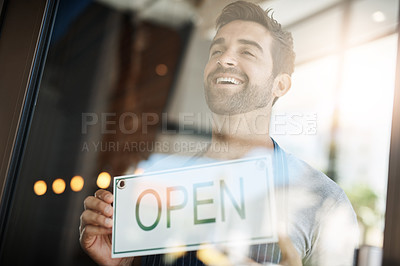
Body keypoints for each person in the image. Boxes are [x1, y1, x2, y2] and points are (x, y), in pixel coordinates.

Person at [79, 1, 358, 265]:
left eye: (247, 51)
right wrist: (124, 263)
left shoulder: (323, 200)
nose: (225, 59)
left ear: (280, 85)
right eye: (216, 50)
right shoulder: (159, 185)